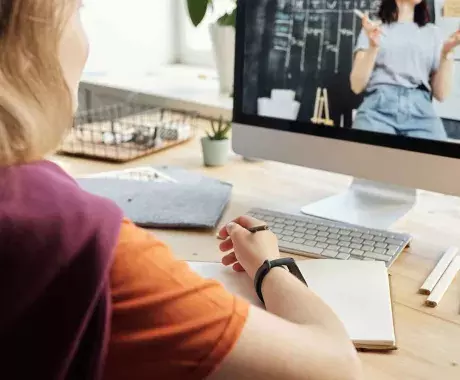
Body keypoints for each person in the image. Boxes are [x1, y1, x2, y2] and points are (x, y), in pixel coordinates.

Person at [0, 1, 363, 380]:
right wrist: (270, 266)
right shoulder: (80, 238)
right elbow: (337, 368)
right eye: (77, 12)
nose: (86, 43)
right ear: (26, 45)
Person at [350, 0, 460, 140]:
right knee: (365, 158)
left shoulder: (433, 33)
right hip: (377, 110)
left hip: (421, 113)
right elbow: (356, 85)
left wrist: (446, 53)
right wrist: (373, 47)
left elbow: (441, 94)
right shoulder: (374, 28)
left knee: (439, 160)